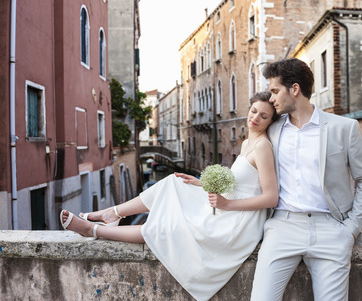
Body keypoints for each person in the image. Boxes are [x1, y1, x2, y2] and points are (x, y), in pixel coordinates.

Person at [60, 91, 279, 301]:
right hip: (227, 206)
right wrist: (201, 182)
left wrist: (227, 204)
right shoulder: (247, 143)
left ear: (270, 121)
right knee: (173, 183)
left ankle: (95, 229)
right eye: (253, 111)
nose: (255, 118)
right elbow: (239, 182)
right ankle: (112, 213)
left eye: (263, 115)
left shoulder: (263, 147)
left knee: (164, 228)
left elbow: (271, 198)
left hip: (238, 221)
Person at [250, 58, 362, 301]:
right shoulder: (273, 131)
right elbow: (248, 166)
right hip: (283, 227)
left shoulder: (344, 128)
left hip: (331, 230)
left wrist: (351, 229)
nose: (272, 98)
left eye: (275, 91)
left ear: (295, 89)